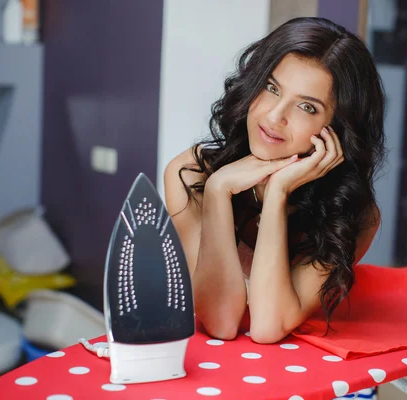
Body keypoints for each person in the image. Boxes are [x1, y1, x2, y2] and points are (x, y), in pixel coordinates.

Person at [164, 17, 385, 344]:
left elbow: (267, 327)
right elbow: (220, 321)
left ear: (337, 130)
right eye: (271, 88)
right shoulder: (192, 174)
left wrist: (278, 192)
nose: (273, 117)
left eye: (307, 107)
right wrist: (217, 192)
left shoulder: (355, 214)